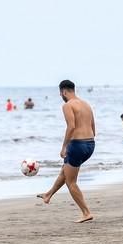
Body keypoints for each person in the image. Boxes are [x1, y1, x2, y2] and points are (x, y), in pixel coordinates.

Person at [37, 80, 95, 223]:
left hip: (77, 145)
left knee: (71, 182)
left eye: (60, 93)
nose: (61, 96)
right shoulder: (87, 105)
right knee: (65, 170)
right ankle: (48, 195)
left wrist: (64, 147)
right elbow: (94, 128)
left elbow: (71, 126)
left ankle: (86, 212)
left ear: (63, 91)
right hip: (90, 144)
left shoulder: (67, 105)